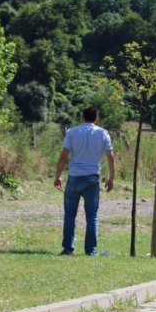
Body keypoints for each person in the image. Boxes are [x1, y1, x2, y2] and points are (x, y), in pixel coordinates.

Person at [54, 106, 115, 256]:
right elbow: (110, 157)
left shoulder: (72, 132)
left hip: (74, 177)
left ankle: (68, 248)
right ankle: (91, 250)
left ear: (82, 117)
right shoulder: (103, 133)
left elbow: (64, 156)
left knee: (69, 215)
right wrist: (111, 178)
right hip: (92, 178)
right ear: (97, 119)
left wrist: (58, 175)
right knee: (92, 216)